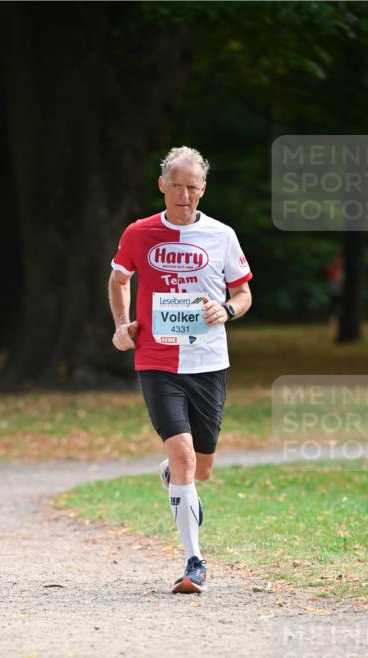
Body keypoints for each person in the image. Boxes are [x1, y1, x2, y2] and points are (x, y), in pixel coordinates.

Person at [109, 146, 253, 594]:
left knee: (201, 467)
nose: (184, 195)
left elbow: (244, 294)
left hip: (209, 363)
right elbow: (119, 279)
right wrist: (120, 327)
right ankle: (195, 562)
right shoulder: (139, 233)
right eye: (176, 186)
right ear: (162, 186)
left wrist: (225, 309)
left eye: (192, 187)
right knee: (185, 455)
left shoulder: (222, 236)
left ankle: (176, 475)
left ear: (203, 189)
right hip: (156, 360)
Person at [326, 250, 344, 331]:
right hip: (336, 291)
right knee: (334, 307)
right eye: (336, 258)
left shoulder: (343, 268)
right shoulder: (332, 268)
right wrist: (336, 290)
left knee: (340, 307)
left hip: (341, 291)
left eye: (339, 258)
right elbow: (331, 281)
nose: (337, 260)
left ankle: (340, 323)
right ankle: (333, 324)